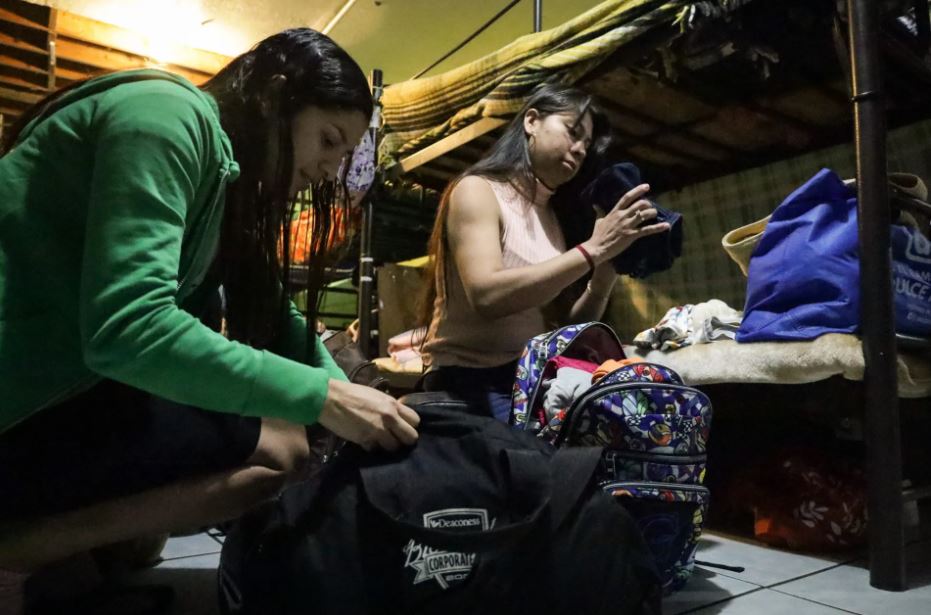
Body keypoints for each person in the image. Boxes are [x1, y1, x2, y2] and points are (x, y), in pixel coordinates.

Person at [0, 28, 419, 614]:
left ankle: (63, 539)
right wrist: (326, 397)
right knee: (280, 450)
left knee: (153, 533)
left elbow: (278, 314)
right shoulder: (165, 114)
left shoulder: (224, 183)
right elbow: (130, 328)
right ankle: (13, 552)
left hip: (53, 391)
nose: (329, 170)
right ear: (275, 95)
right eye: (328, 140)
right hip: (22, 403)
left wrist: (353, 396)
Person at [419, 84, 670, 422]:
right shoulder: (478, 190)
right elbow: (487, 296)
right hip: (468, 380)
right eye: (573, 132)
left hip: (525, 379)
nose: (580, 150)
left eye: (586, 145)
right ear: (532, 121)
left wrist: (605, 272)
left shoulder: (550, 218)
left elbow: (562, 331)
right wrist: (593, 249)